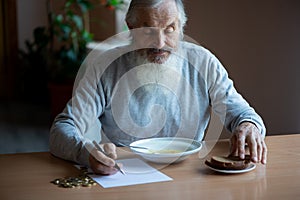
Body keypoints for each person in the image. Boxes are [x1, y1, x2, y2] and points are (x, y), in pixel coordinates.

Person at [49, 0, 267, 175]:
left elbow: (243, 114)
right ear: (131, 28)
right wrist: (86, 153)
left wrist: (249, 125)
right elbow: (63, 128)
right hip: (126, 173)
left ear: (181, 28)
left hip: (191, 175)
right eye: (148, 31)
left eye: (170, 29)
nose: (160, 43)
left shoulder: (204, 62)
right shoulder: (105, 67)